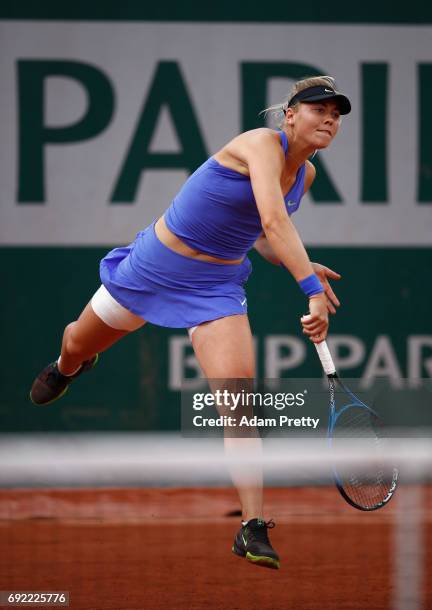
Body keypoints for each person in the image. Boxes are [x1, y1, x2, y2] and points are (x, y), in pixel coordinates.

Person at [30, 75, 350, 570]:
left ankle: (251, 525)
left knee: (238, 399)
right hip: (151, 271)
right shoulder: (260, 143)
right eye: (318, 109)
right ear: (290, 115)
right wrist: (307, 285)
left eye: (336, 113)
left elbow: (262, 237)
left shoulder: (305, 175)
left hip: (215, 290)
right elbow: (272, 221)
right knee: (76, 341)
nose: (329, 118)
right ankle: (69, 366)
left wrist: (302, 266)